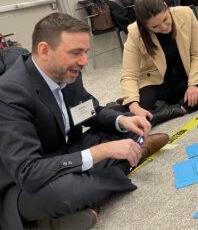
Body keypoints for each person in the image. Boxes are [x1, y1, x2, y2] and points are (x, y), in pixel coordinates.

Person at [0, 13, 169, 229]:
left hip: (67, 152)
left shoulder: (68, 71)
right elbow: (29, 172)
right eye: (76, 53)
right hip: (27, 181)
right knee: (67, 192)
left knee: (130, 126)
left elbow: (90, 111)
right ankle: (124, 165)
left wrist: (122, 121)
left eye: (86, 52)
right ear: (44, 50)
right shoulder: (9, 92)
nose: (84, 61)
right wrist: (103, 151)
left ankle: (64, 213)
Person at [120, 0, 198, 125]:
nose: (164, 27)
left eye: (165, 19)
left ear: (166, 7)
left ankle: (175, 109)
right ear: (144, 25)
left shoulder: (185, 14)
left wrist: (193, 85)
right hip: (157, 84)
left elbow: (197, 54)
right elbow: (129, 75)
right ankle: (165, 108)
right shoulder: (135, 32)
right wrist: (134, 106)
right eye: (155, 26)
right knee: (132, 112)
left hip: (185, 80)